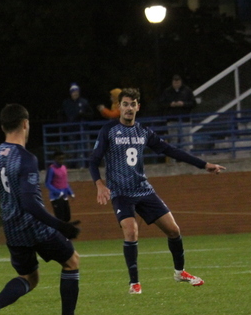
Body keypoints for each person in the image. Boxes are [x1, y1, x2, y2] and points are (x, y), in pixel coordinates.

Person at [0, 104, 98, 315]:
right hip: (34, 226)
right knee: (71, 261)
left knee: (29, 278)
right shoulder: (26, 158)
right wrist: (62, 226)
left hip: (11, 228)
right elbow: (30, 204)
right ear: (25, 124)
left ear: (3, 127)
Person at [89, 88, 225, 295]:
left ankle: (180, 272)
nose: (128, 108)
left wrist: (203, 164)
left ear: (137, 107)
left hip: (143, 190)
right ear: (119, 107)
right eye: (124, 104)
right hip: (120, 192)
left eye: (132, 104)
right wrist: (99, 183)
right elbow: (93, 159)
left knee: (174, 230)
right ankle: (134, 283)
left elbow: (171, 151)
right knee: (131, 231)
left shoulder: (143, 132)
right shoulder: (108, 129)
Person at [158, 75, 197, 146]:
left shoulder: (187, 90)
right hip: (172, 119)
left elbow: (193, 103)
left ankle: (186, 156)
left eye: (178, 82)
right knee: (173, 140)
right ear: (172, 82)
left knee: (186, 140)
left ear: (181, 82)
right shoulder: (167, 91)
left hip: (184, 119)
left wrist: (183, 104)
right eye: (175, 82)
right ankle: (174, 156)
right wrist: (170, 104)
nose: (176, 84)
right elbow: (161, 103)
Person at [45, 150, 74, 223]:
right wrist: (58, 192)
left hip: (64, 197)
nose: (61, 161)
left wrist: (70, 192)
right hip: (56, 197)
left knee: (67, 217)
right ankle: (60, 233)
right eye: (59, 159)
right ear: (55, 159)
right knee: (60, 218)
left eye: (62, 159)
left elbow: (65, 182)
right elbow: (47, 184)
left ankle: (64, 232)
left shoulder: (64, 168)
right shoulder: (51, 169)